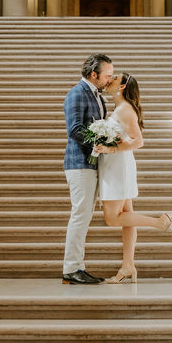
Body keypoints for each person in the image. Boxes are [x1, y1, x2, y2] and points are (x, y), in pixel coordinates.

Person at [93, 73, 172, 284]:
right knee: (127, 216)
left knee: (113, 218)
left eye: (114, 78)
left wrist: (109, 148)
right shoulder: (120, 109)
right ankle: (128, 265)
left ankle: (161, 222)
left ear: (122, 86)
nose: (109, 80)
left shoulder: (124, 109)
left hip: (118, 166)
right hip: (117, 165)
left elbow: (138, 141)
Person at [61, 53, 114, 284]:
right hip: (79, 162)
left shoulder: (95, 95)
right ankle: (71, 268)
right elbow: (74, 129)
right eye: (107, 76)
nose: (109, 80)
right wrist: (100, 140)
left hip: (90, 163)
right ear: (94, 74)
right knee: (80, 215)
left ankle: (78, 266)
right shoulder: (77, 93)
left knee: (84, 216)